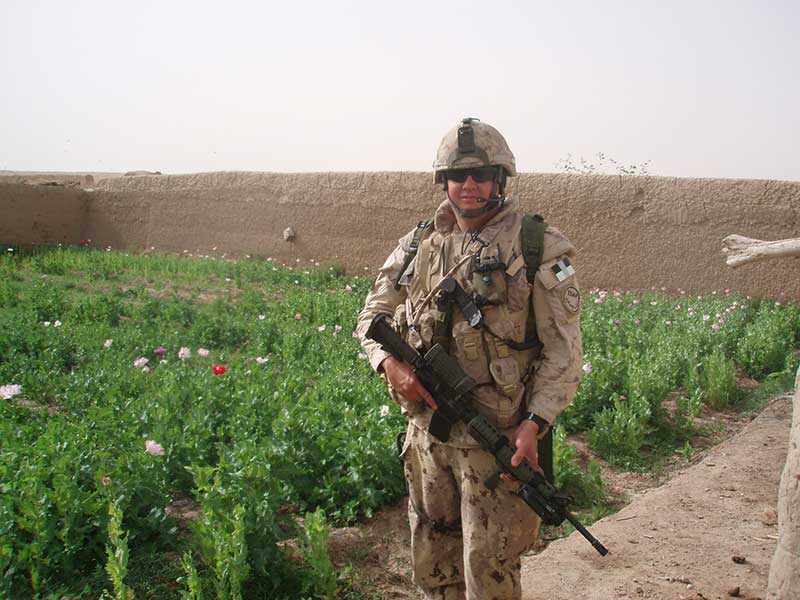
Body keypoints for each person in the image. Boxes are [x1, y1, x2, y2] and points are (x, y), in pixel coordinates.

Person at [357, 117, 583, 600]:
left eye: (482, 174)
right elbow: (370, 317)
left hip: (496, 442)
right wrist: (389, 364)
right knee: (434, 570)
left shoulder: (536, 247)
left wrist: (535, 424)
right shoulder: (418, 243)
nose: (470, 186)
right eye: (458, 176)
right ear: (445, 182)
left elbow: (564, 351)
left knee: (490, 574)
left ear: (500, 179)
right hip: (427, 439)